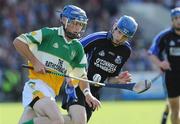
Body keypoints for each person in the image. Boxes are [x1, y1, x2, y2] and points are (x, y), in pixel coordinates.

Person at [13, 5, 101, 124]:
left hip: (51, 92)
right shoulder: (48, 33)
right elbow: (18, 42)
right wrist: (35, 62)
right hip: (36, 86)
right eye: (74, 23)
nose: (77, 28)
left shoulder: (77, 48)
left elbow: (81, 75)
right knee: (57, 120)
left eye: (80, 24)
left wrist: (87, 93)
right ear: (64, 20)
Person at [62, 15, 138, 123]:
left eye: (124, 36)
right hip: (78, 84)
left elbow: (108, 79)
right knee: (78, 121)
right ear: (115, 26)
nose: (119, 38)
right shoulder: (98, 38)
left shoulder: (126, 51)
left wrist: (117, 80)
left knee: (74, 122)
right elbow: (72, 50)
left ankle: (45, 119)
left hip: (94, 92)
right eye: (119, 32)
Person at [148, 7, 180, 124]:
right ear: (172, 20)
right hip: (171, 77)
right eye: (176, 18)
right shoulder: (164, 36)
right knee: (175, 110)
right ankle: (166, 114)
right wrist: (160, 63)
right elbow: (151, 53)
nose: (178, 20)